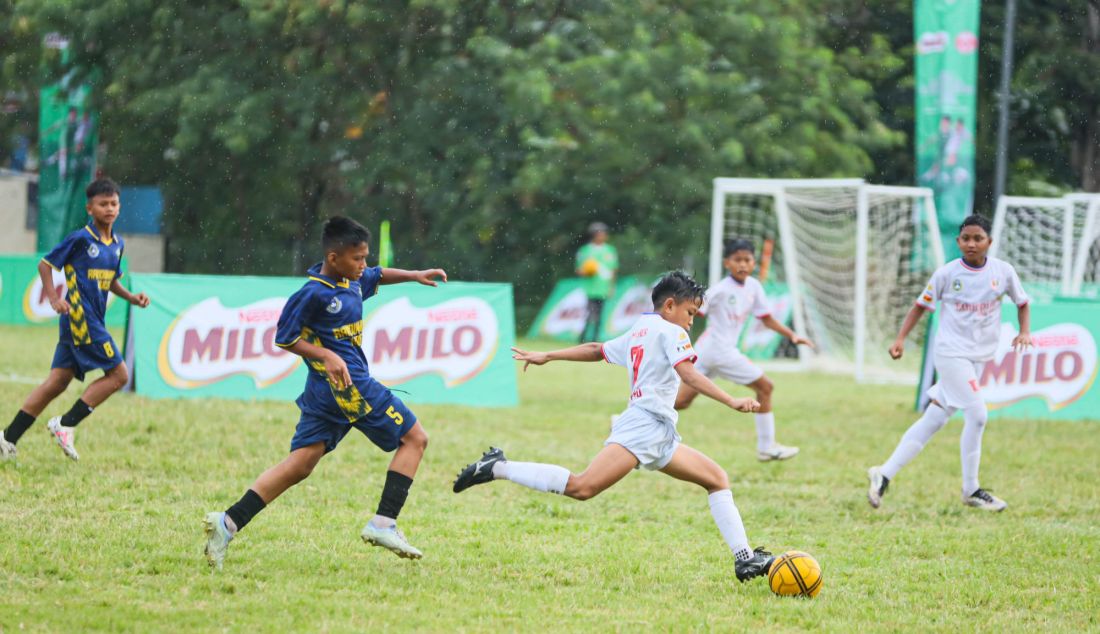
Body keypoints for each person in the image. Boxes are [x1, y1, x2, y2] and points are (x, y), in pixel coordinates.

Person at [453, 271, 778, 582]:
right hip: (643, 427)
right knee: (583, 488)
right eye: (690, 312)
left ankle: (744, 557)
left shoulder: (641, 328)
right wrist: (732, 400)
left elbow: (598, 349)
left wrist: (549, 354)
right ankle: (498, 467)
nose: (692, 321)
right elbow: (689, 375)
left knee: (717, 479)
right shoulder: (671, 331)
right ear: (669, 306)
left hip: (659, 432)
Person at [202, 216, 447, 570]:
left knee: (300, 464)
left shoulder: (352, 281)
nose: (364, 266)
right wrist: (326, 354)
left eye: (365, 257)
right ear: (333, 258)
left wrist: (413, 275)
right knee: (415, 439)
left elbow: (378, 275)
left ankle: (227, 524)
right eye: (357, 258)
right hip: (351, 387)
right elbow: (284, 337)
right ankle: (383, 523)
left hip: (323, 392)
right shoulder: (314, 293)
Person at [867, 215, 1031, 512]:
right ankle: (971, 489)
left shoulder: (1003, 272)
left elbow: (1022, 302)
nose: (971, 244)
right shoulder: (946, 274)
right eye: (966, 238)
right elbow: (921, 305)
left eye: (977, 238)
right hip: (951, 353)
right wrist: (900, 338)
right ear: (958, 242)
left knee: (935, 418)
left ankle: (884, 473)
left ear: (989, 243)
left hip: (979, 356)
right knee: (978, 415)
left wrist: (1024, 332)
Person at [0, 178, 150, 462]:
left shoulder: (117, 244)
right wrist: (55, 298)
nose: (109, 209)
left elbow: (110, 281)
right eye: (103, 204)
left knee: (57, 382)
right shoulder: (81, 239)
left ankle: (8, 437)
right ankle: (66, 423)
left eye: (114, 203)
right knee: (119, 375)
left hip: (91, 321)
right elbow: (45, 265)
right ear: (89, 208)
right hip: (81, 319)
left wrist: (131, 297)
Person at [675, 238, 813, 461]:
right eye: (737, 260)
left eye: (747, 260)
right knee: (766, 387)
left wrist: (792, 335)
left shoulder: (754, 287)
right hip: (718, 350)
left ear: (754, 262)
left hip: (709, 350)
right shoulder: (719, 290)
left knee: (681, 402)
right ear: (727, 263)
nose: (742, 265)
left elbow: (766, 319)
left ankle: (627, 419)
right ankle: (767, 447)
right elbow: (695, 310)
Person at [575, 222, 618, 342]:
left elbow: (614, 270)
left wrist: (611, 287)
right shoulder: (585, 250)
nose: (603, 235)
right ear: (594, 234)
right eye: (600, 233)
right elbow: (579, 270)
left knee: (599, 316)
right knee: (589, 315)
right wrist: (587, 272)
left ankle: (595, 340)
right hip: (590, 288)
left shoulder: (610, 250)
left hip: (603, 288)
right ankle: (582, 339)